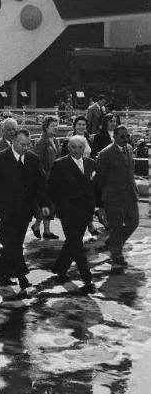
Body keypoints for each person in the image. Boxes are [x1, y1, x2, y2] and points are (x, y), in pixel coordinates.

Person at [0, 128, 50, 298]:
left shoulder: (33, 160)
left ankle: (1, 274)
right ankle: (22, 275)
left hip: (24, 211)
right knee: (14, 244)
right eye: (23, 145)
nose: (26, 148)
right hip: (4, 211)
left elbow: (40, 184)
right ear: (13, 141)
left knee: (13, 245)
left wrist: (44, 205)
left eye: (28, 145)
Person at [49, 136, 97, 294]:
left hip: (85, 211)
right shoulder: (60, 164)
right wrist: (62, 205)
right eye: (73, 147)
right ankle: (87, 277)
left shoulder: (91, 163)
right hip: (68, 212)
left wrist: (96, 209)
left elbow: (95, 188)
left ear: (84, 149)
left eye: (80, 147)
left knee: (72, 242)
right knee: (77, 245)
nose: (76, 150)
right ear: (69, 148)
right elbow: (52, 188)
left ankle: (59, 268)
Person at [96, 125, 139, 269]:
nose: (126, 139)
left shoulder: (130, 149)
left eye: (127, 136)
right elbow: (100, 178)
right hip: (114, 197)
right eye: (122, 136)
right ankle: (117, 254)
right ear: (114, 137)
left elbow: (130, 171)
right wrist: (109, 192)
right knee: (115, 227)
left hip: (130, 194)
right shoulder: (105, 154)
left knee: (134, 222)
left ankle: (114, 242)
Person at [30, 115, 61, 240]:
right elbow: (37, 162)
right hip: (45, 179)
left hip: (54, 178)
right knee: (46, 204)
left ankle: (38, 226)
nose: (55, 128)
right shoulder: (41, 142)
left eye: (56, 125)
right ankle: (45, 230)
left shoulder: (55, 140)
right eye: (53, 126)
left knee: (51, 204)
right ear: (46, 127)